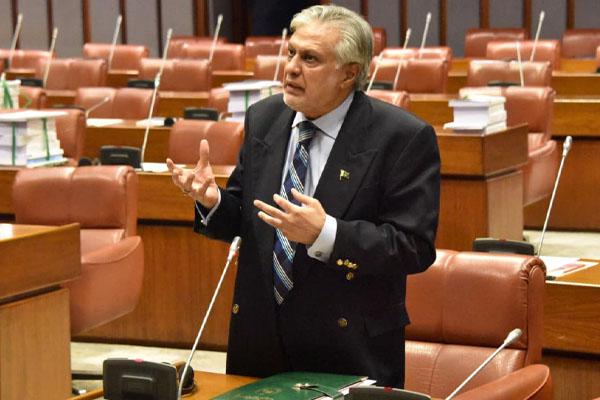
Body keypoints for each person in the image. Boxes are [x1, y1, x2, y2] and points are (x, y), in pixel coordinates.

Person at [167, 5, 440, 388]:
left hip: (347, 346)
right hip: (259, 341)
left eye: (310, 58)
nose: (292, 68)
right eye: (292, 52)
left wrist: (325, 233)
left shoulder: (401, 137)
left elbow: (413, 247)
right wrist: (213, 202)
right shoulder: (263, 117)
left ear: (349, 74)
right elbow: (249, 219)